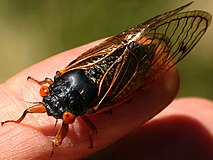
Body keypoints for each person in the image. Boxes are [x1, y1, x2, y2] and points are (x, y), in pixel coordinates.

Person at [0, 39, 212, 160]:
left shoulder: (90, 107)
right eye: (45, 90)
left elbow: (92, 128)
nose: (51, 106)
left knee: (131, 92)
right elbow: (30, 110)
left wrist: (57, 146)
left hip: (122, 76)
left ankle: (146, 48)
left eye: (66, 116)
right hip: (109, 61)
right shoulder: (61, 83)